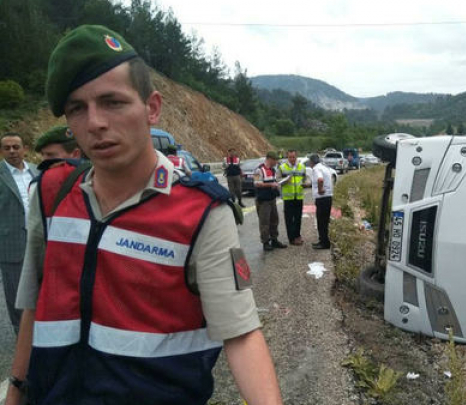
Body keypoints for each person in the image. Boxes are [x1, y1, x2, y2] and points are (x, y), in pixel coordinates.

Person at [5, 25, 282, 405]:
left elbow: (241, 334)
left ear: (152, 108)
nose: (95, 122)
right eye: (76, 108)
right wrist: (16, 392)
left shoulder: (202, 212)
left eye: (112, 102)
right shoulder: (52, 195)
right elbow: (34, 308)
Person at [0, 133, 38, 335]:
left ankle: (40, 332)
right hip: (11, 243)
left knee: (41, 289)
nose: (12, 151)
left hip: (38, 241)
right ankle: (21, 336)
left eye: (16, 147)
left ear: (24, 148)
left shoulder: (35, 170)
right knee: (16, 294)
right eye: (7, 148)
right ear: (2, 151)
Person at [254, 151, 287, 251]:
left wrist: (277, 184)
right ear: (270, 159)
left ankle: (274, 240)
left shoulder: (272, 170)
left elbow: (272, 182)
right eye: (275, 160)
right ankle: (265, 242)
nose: (276, 162)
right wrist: (271, 185)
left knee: (274, 220)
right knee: (264, 222)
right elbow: (257, 183)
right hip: (263, 200)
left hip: (272, 199)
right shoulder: (259, 170)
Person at [278, 150, 306, 246]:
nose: (292, 159)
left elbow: (305, 179)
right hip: (288, 198)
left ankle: (297, 235)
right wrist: (285, 180)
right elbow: (277, 181)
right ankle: (291, 239)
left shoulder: (302, 167)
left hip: (299, 196)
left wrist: (306, 183)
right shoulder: (282, 167)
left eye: (293, 157)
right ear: (287, 157)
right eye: (290, 157)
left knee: (298, 218)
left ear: (296, 156)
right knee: (289, 219)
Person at [306, 154, 333, 250]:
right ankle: (324, 241)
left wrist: (320, 189)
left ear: (312, 162)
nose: (309, 163)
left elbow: (320, 179)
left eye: (309, 161)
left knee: (321, 222)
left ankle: (324, 243)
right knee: (324, 221)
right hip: (328, 198)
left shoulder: (316, 169)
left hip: (322, 199)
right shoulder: (324, 167)